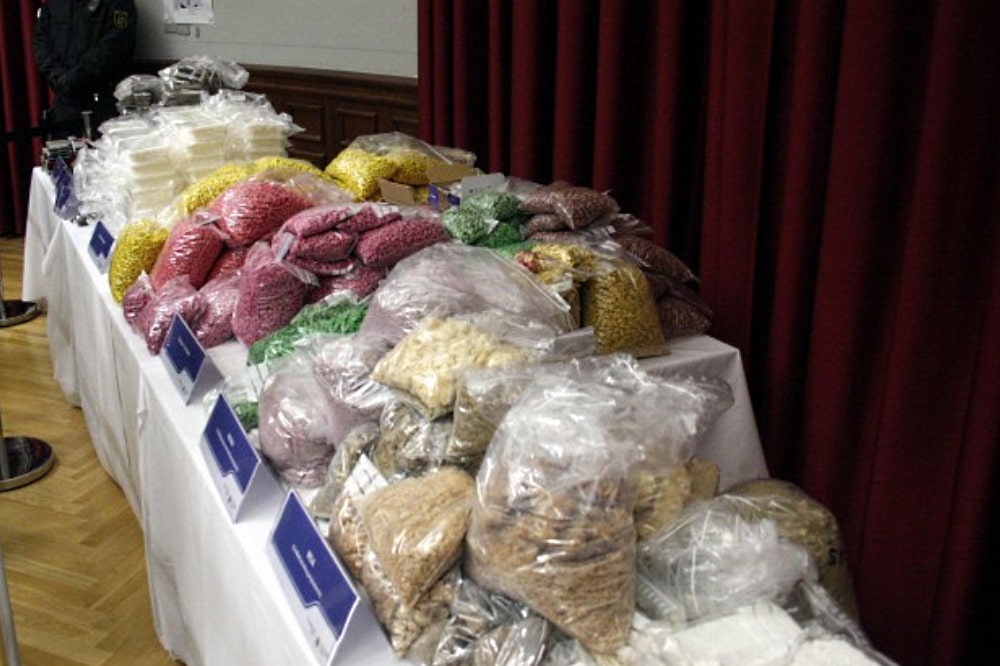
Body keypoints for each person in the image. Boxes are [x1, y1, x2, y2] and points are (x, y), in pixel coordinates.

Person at [33, 0, 138, 138]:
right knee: (63, 148)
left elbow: (114, 46)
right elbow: (41, 43)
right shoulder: (54, 4)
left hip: (103, 99)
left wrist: (77, 75)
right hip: (65, 101)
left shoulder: (117, 3)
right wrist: (56, 74)